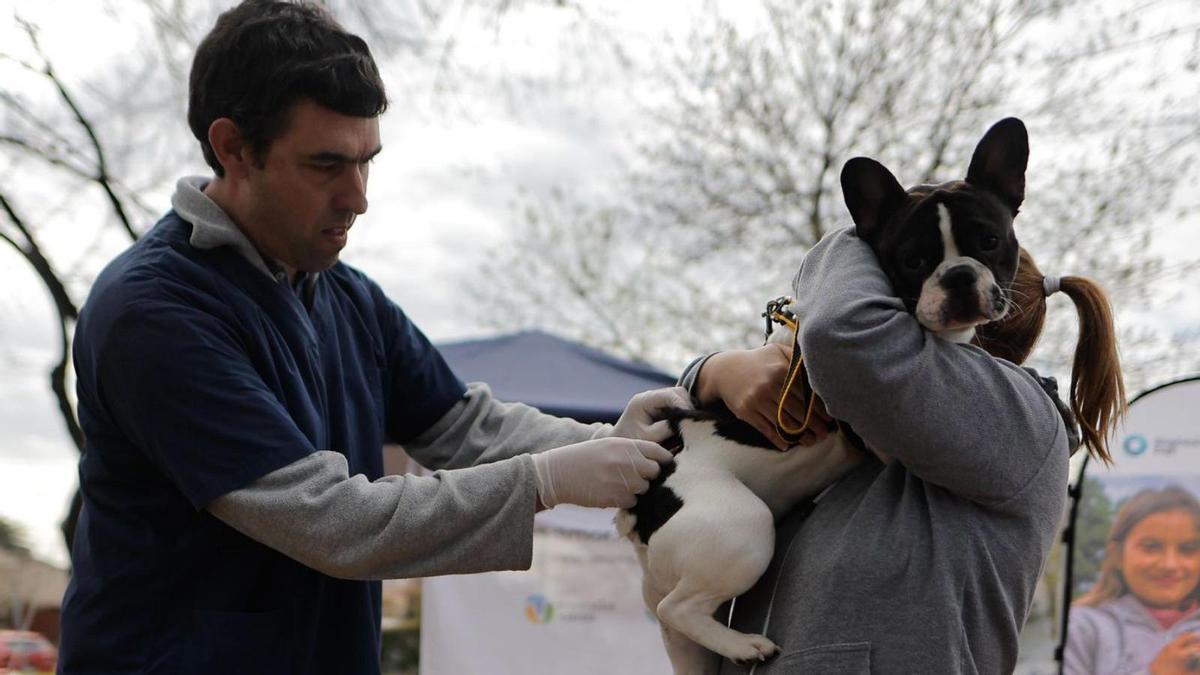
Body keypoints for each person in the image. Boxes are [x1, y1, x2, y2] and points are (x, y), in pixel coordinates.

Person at [58, 2, 685, 672]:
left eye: (367, 161)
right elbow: (334, 521)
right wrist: (545, 480)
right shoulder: (154, 312)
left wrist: (632, 443)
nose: (358, 196)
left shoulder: (348, 297)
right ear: (232, 146)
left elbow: (471, 428)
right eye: (327, 164)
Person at [681, 236, 1125, 672]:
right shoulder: (853, 438)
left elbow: (839, 333)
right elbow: (678, 452)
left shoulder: (1019, 421)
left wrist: (874, 227)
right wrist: (710, 375)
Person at [1066, 486, 1200, 675]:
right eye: (1151, 547)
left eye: (1188, 549)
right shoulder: (1082, 626)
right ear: (1117, 555)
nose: (1170, 565)